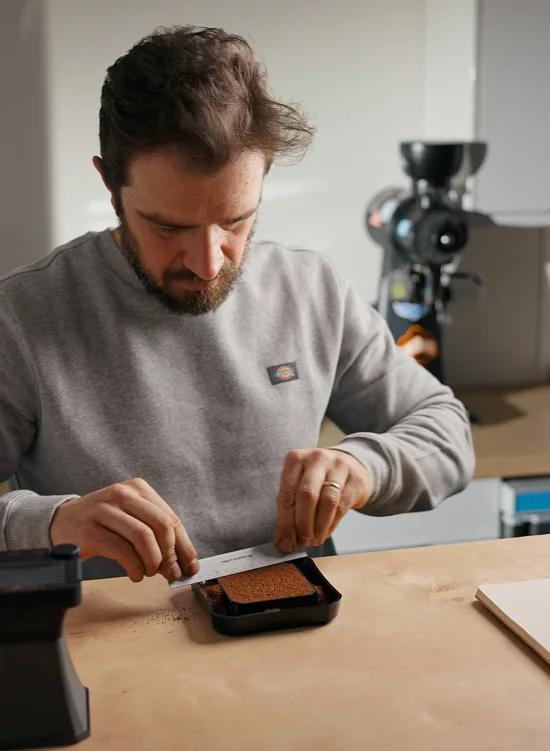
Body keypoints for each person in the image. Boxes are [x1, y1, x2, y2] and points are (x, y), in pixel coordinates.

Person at [0, 25, 475, 583]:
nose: (207, 263)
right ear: (110, 186)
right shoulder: (23, 315)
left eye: (235, 221)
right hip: (112, 649)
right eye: (168, 226)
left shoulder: (311, 289)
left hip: (292, 632)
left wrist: (361, 466)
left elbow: (446, 433)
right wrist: (53, 521)